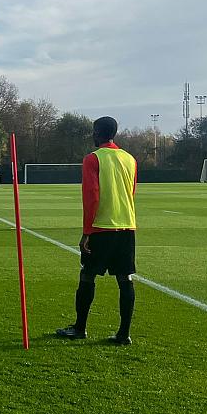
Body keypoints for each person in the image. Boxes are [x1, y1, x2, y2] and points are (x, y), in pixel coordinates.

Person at [56, 116, 137, 346]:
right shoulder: (130, 159)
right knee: (125, 278)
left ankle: (79, 328)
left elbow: (91, 196)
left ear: (97, 133)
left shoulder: (93, 159)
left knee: (87, 275)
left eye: (93, 132)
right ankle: (123, 334)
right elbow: (131, 192)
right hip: (127, 225)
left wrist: (86, 232)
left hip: (102, 227)